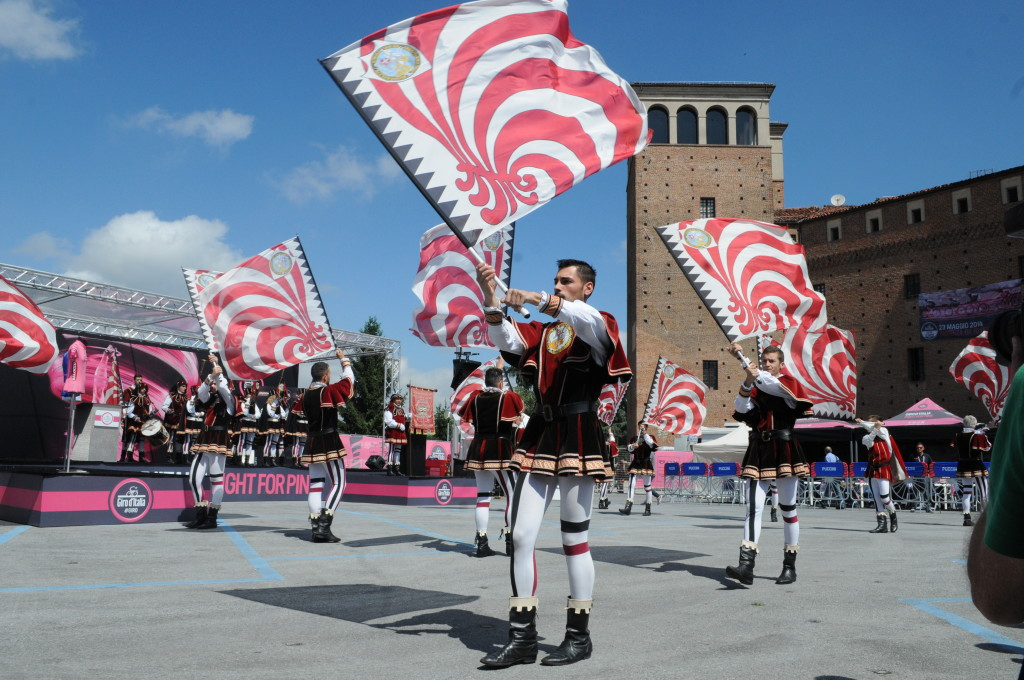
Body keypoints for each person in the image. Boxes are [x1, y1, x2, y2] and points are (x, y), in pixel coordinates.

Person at [475, 258, 630, 667]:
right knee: (522, 536)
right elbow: (507, 339)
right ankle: (522, 636)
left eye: (566, 281)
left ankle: (578, 636)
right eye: (555, 281)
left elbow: (584, 321)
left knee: (573, 540)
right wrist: (492, 300)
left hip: (579, 432)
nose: (559, 286)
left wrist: (537, 297)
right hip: (542, 433)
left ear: (587, 287)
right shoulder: (544, 332)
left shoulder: (597, 323)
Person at [724, 342, 812, 587]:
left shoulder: (787, 384)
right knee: (753, 508)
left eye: (771, 361)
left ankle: (789, 565)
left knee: (788, 510)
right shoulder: (756, 384)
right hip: (760, 449)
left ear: (781, 364)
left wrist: (744, 361)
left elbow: (775, 388)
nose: (767, 365)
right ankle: (746, 565)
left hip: (784, 448)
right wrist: (746, 380)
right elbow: (741, 408)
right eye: (764, 361)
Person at [967, 337, 1024, 625]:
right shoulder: (973, 434)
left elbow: (997, 602)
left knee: (977, 493)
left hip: (973, 469)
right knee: (971, 492)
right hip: (972, 469)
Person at [457, 366, 525, 557]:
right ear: (501, 382)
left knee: (483, 496)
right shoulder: (508, 397)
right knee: (513, 496)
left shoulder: (475, 397)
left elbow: (469, 419)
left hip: (479, 448)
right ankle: (511, 541)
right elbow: (516, 418)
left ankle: (482, 541)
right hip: (499, 448)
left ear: (485, 381)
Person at [302, 349, 354, 543]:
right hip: (328, 440)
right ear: (325, 377)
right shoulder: (327, 391)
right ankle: (324, 523)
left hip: (312, 440)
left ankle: (316, 528)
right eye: (329, 375)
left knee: (315, 485)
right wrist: (344, 360)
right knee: (340, 483)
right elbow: (349, 382)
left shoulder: (305, 396)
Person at [184, 354, 235, 530]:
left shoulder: (230, 401)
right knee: (193, 479)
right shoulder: (208, 398)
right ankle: (201, 514)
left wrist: (217, 369)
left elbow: (223, 387)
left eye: (215, 383)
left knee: (216, 482)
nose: (213, 386)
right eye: (212, 384)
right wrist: (211, 375)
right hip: (204, 439)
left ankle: (212, 517)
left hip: (219, 441)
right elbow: (200, 392)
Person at [855, 416, 906, 534]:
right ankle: (882, 525)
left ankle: (893, 515)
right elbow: (869, 439)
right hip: (872, 470)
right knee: (877, 498)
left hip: (884, 469)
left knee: (885, 497)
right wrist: (872, 426)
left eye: (873, 422)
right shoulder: (866, 437)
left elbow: (878, 429)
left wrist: (863, 422)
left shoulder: (885, 433)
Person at [954, 415, 991, 527]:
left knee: (967, 492)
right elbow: (988, 447)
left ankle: (967, 517)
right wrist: (983, 434)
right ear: (974, 424)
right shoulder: (977, 435)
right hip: (976, 464)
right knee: (983, 493)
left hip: (963, 465)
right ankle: (985, 519)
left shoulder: (958, 435)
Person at [620, 421, 657, 516]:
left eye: (643, 427)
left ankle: (648, 508)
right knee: (631, 484)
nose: (641, 428)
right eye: (640, 426)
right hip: (636, 463)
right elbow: (628, 449)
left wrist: (645, 434)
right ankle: (628, 507)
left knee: (647, 487)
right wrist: (633, 446)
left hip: (646, 463)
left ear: (646, 427)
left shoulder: (650, 437)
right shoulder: (634, 438)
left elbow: (653, 446)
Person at [122, 383, 152, 463]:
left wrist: (150, 414)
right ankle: (129, 457)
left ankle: (141, 458)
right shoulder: (134, 399)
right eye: (143, 388)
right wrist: (135, 417)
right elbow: (129, 412)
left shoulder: (147, 399)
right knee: (132, 439)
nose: (144, 390)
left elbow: (149, 411)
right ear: (139, 389)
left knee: (142, 439)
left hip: (143, 422)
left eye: (145, 388)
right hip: (135, 423)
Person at [119, 374, 145, 462]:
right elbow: (125, 406)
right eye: (138, 380)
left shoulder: (142, 391)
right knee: (127, 438)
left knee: (140, 438)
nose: (140, 381)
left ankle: (140, 458)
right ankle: (124, 457)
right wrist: (123, 419)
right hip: (130, 418)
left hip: (140, 418)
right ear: (134, 380)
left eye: (141, 380)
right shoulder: (128, 391)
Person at [162, 380, 189, 465]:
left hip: (182, 421)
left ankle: (179, 458)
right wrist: (169, 410)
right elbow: (164, 406)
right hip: (173, 420)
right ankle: (169, 457)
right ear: (178, 387)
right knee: (172, 438)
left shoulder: (186, 398)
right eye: (183, 386)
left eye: (185, 386)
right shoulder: (172, 396)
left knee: (181, 438)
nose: (184, 388)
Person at [236, 384, 261, 467]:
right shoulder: (242, 402)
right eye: (249, 394)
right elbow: (244, 412)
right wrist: (251, 415)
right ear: (246, 395)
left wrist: (254, 416)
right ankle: (239, 459)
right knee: (242, 441)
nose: (250, 395)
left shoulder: (254, 403)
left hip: (252, 423)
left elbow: (258, 414)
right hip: (245, 422)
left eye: (251, 394)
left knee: (250, 441)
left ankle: (247, 460)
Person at [384, 394, 407, 476]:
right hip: (393, 431)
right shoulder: (389, 408)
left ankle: (397, 469)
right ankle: (389, 469)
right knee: (392, 450)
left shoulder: (401, 409)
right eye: (397, 399)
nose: (399, 401)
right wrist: (399, 425)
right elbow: (389, 421)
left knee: (398, 450)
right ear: (393, 400)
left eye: (400, 399)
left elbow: (403, 419)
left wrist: (408, 417)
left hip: (400, 433)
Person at [910, 443, 934, 513]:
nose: (919, 449)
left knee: (926, 492)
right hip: (915, 477)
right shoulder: (913, 456)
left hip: (924, 477)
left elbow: (932, 464)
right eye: (917, 448)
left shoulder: (927, 456)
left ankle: (928, 507)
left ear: (923, 448)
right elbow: (909, 465)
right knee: (914, 492)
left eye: (920, 447)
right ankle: (913, 507)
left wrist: (930, 473)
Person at [597, 429, 617, 510]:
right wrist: (611, 433)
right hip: (607, 465)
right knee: (605, 483)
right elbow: (613, 442)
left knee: (604, 484)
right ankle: (601, 500)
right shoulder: (609, 444)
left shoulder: (599, 444)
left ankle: (605, 499)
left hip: (599, 465)